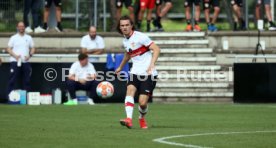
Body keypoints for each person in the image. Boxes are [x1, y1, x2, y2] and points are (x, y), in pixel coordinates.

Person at [115, 15, 160, 129]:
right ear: (120, 27)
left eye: (127, 25)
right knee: (129, 91)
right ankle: (129, 119)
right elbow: (128, 54)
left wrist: (152, 64)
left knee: (142, 103)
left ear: (131, 26)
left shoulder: (140, 37)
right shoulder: (125, 41)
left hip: (148, 74)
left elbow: (156, 49)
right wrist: (120, 67)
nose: (124, 27)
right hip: (134, 72)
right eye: (122, 26)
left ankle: (141, 118)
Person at [6, 22, 35, 97]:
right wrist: (15, 56)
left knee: (27, 80)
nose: (21, 28)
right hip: (15, 61)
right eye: (20, 26)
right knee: (12, 79)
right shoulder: (13, 37)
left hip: (25, 62)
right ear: (17, 27)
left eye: (22, 26)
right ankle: (9, 97)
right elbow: (8, 49)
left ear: (24, 27)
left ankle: (27, 98)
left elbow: (33, 48)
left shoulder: (29, 38)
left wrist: (29, 55)